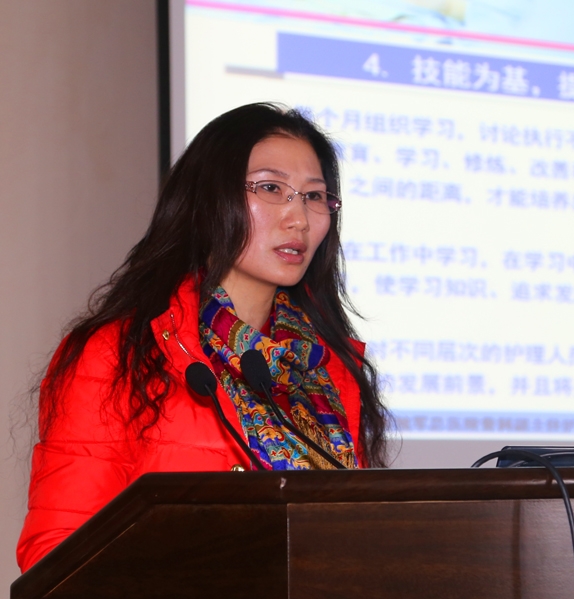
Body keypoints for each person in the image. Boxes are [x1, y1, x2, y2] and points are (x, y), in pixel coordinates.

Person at [17, 103, 390, 572]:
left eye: (314, 196)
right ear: (209, 199)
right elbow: (58, 557)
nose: (299, 218)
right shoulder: (117, 354)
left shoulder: (327, 369)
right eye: (271, 188)